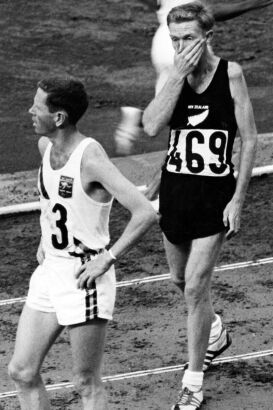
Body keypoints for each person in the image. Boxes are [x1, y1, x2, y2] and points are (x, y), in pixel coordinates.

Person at [8, 76, 157, 410]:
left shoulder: (90, 159)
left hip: (84, 276)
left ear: (59, 118)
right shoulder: (46, 147)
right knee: (22, 370)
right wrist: (45, 236)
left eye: (38, 105)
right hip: (51, 270)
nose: (30, 110)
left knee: (86, 381)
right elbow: (52, 201)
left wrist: (109, 257)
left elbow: (144, 212)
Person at [142, 2, 257, 409]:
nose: (181, 47)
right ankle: (215, 330)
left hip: (214, 197)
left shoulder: (232, 74)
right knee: (179, 279)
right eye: (174, 40)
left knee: (195, 286)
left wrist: (238, 198)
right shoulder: (175, 78)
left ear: (208, 37)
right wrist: (175, 77)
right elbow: (154, 127)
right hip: (175, 195)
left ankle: (193, 381)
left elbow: (249, 139)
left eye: (188, 38)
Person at [114, 0, 272, 155]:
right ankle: (211, 156)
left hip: (165, 40)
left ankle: (138, 118)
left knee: (170, 112)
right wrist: (251, 4)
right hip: (189, 43)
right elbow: (211, 13)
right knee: (209, 103)